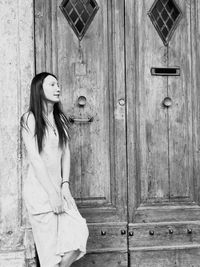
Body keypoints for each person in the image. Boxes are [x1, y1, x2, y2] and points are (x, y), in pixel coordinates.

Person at [21, 72, 89, 267]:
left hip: (60, 190)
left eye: (58, 84)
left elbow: (66, 153)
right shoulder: (29, 119)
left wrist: (65, 185)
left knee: (78, 234)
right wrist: (51, 193)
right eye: (52, 85)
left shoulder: (60, 118)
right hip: (39, 193)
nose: (57, 88)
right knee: (50, 256)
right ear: (39, 89)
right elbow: (35, 159)